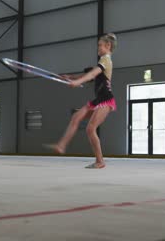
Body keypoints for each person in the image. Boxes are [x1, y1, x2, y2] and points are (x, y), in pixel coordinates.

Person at [45, 33, 117, 169]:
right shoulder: (102, 62)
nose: (98, 48)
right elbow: (89, 76)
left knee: (91, 128)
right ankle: (61, 145)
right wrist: (71, 77)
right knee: (76, 116)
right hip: (98, 100)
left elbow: (92, 74)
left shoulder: (106, 60)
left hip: (106, 100)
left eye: (100, 45)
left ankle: (100, 161)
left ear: (108, 46)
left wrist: (77, 82)